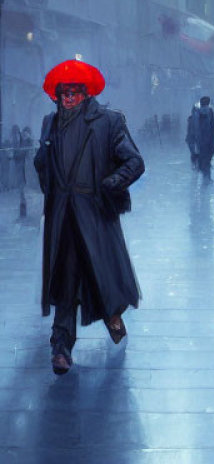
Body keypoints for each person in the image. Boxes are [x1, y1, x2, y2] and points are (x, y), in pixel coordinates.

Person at [34, 59, 145, 375]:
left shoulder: (109, 122)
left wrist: (109, 184)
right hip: (64, 220)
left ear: (85, 94)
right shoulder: (49, 124)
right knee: (65, 284)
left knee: (102, 278)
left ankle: (113, 317)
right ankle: (61, 349)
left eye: (74, 92)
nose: (68, 98)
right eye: (63, 93)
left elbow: (134, 162)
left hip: (95, 217)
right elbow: (43, 165)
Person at [193, 96, 214, 184]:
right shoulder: (210, 112)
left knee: (203, 160)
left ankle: (205, 177)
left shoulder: (197, 113)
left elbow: (195, 130)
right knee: (207, 161)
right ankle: (207, 179)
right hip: (210, 142)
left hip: (201, 143)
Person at [185, 104, 198, 171]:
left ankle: (195, 164)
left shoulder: (192, 119)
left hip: (192, 139)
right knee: (194, 152)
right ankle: (195, 164)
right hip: (193, 139)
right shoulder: (194, 120)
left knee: (194, 152)